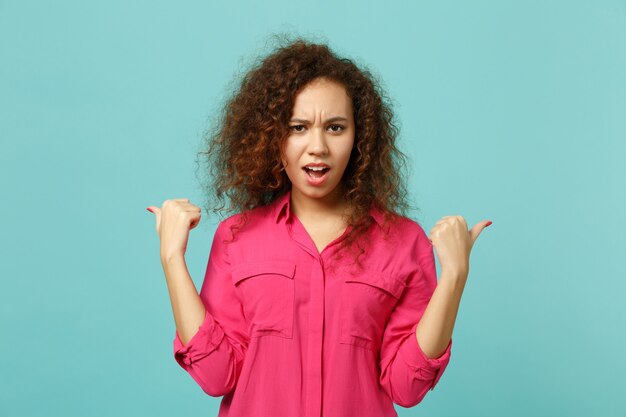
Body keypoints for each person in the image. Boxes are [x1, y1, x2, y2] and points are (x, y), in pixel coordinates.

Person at [147, 35, 491, 417]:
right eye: (298, 127)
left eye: (335, 128)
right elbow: (216, 376)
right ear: (272, 138)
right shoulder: (236, 238)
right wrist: (172, 259)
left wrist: (455, 276)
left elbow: (405, 387)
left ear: (359, 139)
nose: (317, 147)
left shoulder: (403, 242)